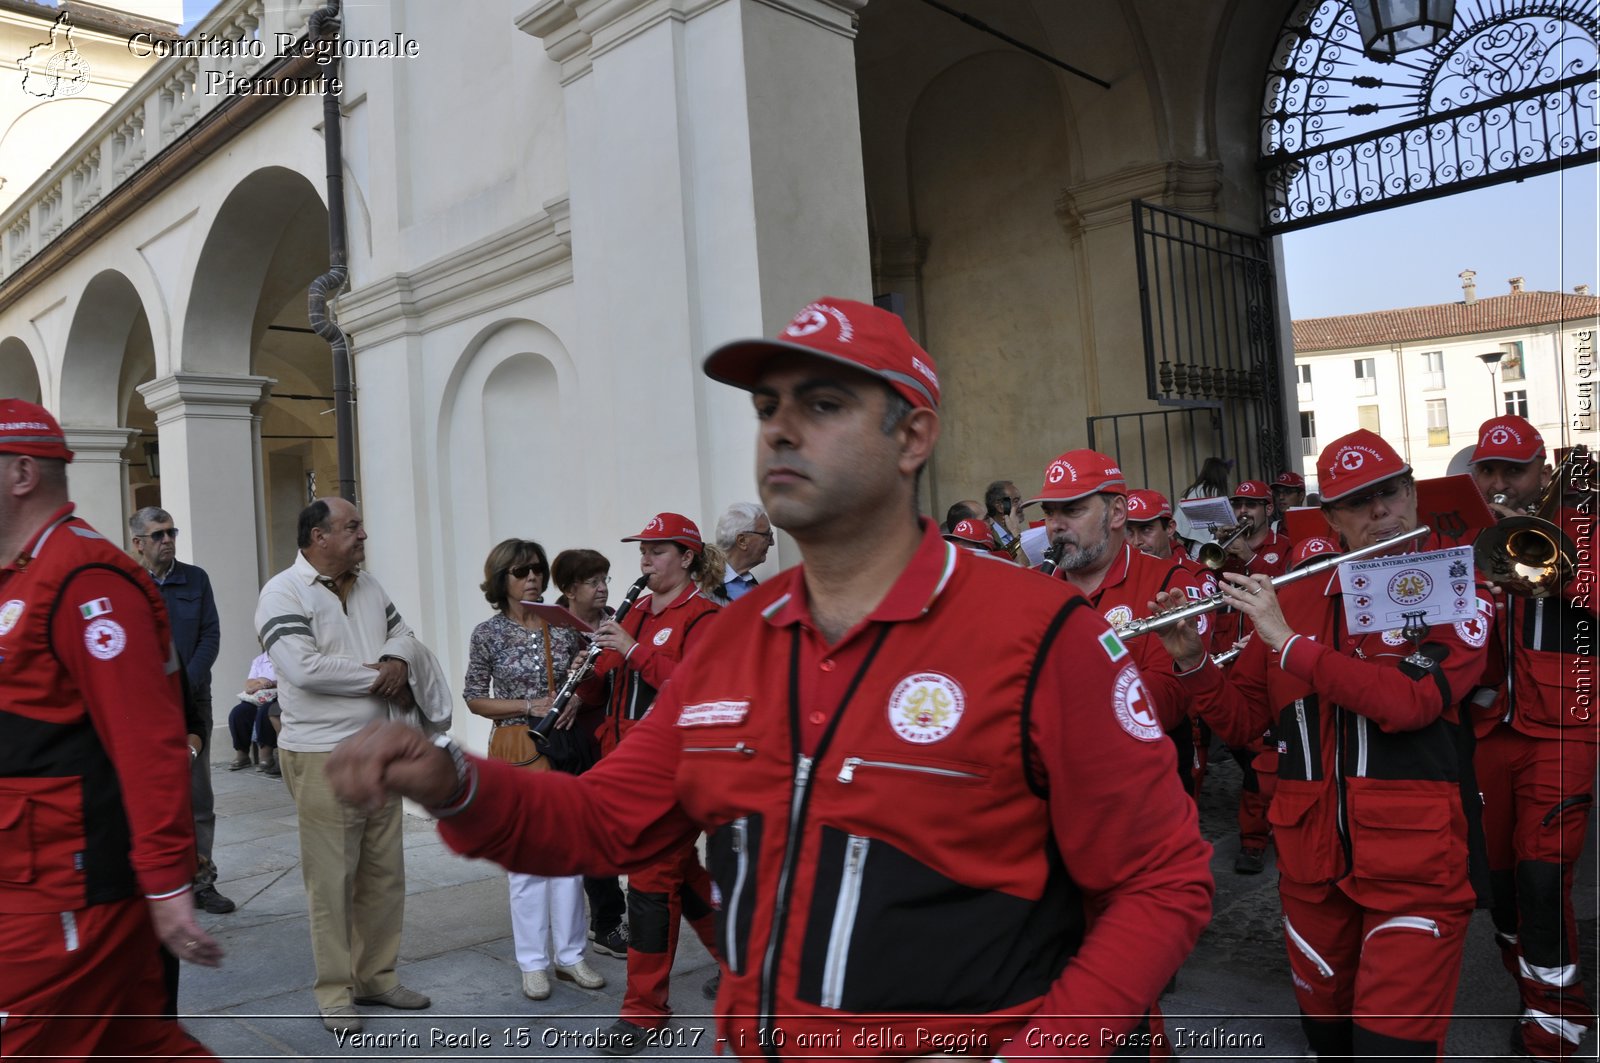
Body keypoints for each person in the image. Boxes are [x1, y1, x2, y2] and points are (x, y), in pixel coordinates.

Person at [325, 296, 1214, 1061]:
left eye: (822, 403)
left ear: (914, 436)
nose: (779, 428)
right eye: (765, 406)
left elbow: (1162, 880)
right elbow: (602, 819)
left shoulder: (1040, 636)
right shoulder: (735, 639)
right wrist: (454, 783)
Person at [1154, 427, 1492, 1060]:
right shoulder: (1296, 595)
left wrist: (1289, 643)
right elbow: (1249, 725)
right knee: (1329, 1043)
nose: (1380, 512)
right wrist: (1195, 662)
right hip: (1311, 866)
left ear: (1413, 493)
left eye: (1390, 493)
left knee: (1392, 1050)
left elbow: (1409, 702)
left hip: (1414, 866)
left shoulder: (1452, 583)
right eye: (1358, 503)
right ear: (1332, 517)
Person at [0, 399, 220, 1060]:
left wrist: (167, 883)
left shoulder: (86, 580)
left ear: (21, 473)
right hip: (34, 878)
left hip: (72, 886)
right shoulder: (25, 574)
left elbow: (149, 745)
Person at [254, 497, 435, 1035]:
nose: (362, 535)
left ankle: (377, 977)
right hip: (321, 754)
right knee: (332, 880)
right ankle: (335, 993)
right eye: (352, 527)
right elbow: (302, 668)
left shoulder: (370, 585)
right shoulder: (282, 592)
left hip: (381, 749)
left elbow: (405, 635)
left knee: (383, 873)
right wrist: (382, 675)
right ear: (317, 536)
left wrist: (399, 660)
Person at [1467, 415, 1597, 1061]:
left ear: (1542, 471)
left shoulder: (1587, 526)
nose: (1499, 482)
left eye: (1512, 469)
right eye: (1487, 469)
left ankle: (1558, 1027)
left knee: (1545, 881)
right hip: (1491, 727)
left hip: (1564, 729)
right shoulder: (1465, 533)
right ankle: (1534, 992)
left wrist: (1560, 571)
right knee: (1500, 888)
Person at [575, 512, 723, 1051]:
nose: (645, 560)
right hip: (622, 761)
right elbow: (607, 674)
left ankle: (644, 1009)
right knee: (679, 872)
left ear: (686, 558)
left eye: (658, 551)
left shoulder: (703, 616)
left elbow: (695, 687)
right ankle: (742, 960)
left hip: (672, 768)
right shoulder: (634, 610)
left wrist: (635, 651)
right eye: (643, 550)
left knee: (650, 880)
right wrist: (582, 682)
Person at [464, 538, 604, 1001]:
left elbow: (586, 684)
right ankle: (533, 962)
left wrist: (578, 695)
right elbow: (473, 697)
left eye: (538, 571)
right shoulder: (489, 633)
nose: (533, 580)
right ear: (501, 580)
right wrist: (529, 704)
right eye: (522, 572)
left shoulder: (562, 628)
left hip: (561, 750)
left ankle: (571, 956)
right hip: (515, 747)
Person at [1026, 451, 1209, 804]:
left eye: (1073, 510)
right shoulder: (1033, 586)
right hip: (1052, 783)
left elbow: (1172, 695)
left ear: (1117, 513)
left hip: (1139, 784)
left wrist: (1067, 697)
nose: (1055, 525)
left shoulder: (1168, 582)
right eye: (1049, 512)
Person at [129, 506, 234, 915]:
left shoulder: (196, 579)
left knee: (197, 796)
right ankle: (159, 881)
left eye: (171, 532)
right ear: (139, 543)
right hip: (144, 708)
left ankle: (201, 881)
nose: (167, 539)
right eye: (158, 535)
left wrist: (184, 685)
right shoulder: (128, 584)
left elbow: (210, 634)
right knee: (150, 794)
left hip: (193, 703)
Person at [550, 548, 628, 960]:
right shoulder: (554, 628)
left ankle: (611, 916)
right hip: (576, 741)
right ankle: (607, 920)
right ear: (569, 589)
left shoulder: (621, 618)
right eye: (592, 581)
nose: (602, 588)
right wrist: (577, 691)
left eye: (604, 579)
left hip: (616, 734)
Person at [1210, 480, 1292, 874]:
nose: (1244, 511)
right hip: (1229, 659)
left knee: (1263, 758)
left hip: (1268, 658)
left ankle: (1255, 839)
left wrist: (1251, 561)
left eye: (1252, 504)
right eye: (1238, 503)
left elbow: (1288, 593)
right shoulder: (1224, 551)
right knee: (1241, 744)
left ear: (1268, 508)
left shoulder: (1286, 549)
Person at [226, 651, 280, 776]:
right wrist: (260, 683)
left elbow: (289, 679)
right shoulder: (259, 660)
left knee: (265, 711)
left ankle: (266, 755)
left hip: (278, 696)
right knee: (238, 712)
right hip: (259, 696)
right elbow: (249, 684)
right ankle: (242, 754)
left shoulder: (285, 654)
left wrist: (271, 683)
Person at [712, 502, 773, 602]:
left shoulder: (753, 585)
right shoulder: (702, 585)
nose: (772, 542)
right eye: (767, 535)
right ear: (742, 541)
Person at [1173, 456, 1230, 556]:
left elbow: (1178, 522)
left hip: (1194, 545)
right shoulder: (1218, 494)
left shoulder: (1192, 491)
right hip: (1217, 544)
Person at [983, 479, 1025, 559]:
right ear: (1000, 507)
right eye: (1016, 501)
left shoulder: (1012, 532)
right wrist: (1016, 531)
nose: (1022, 504)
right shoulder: (990, 539)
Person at [1271, 470, 1307, 536]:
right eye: (1277, 493)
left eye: (1287, 492)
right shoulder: (1273, 529)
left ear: (1301, 496)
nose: (1281, 497)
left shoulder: (1313, 526)